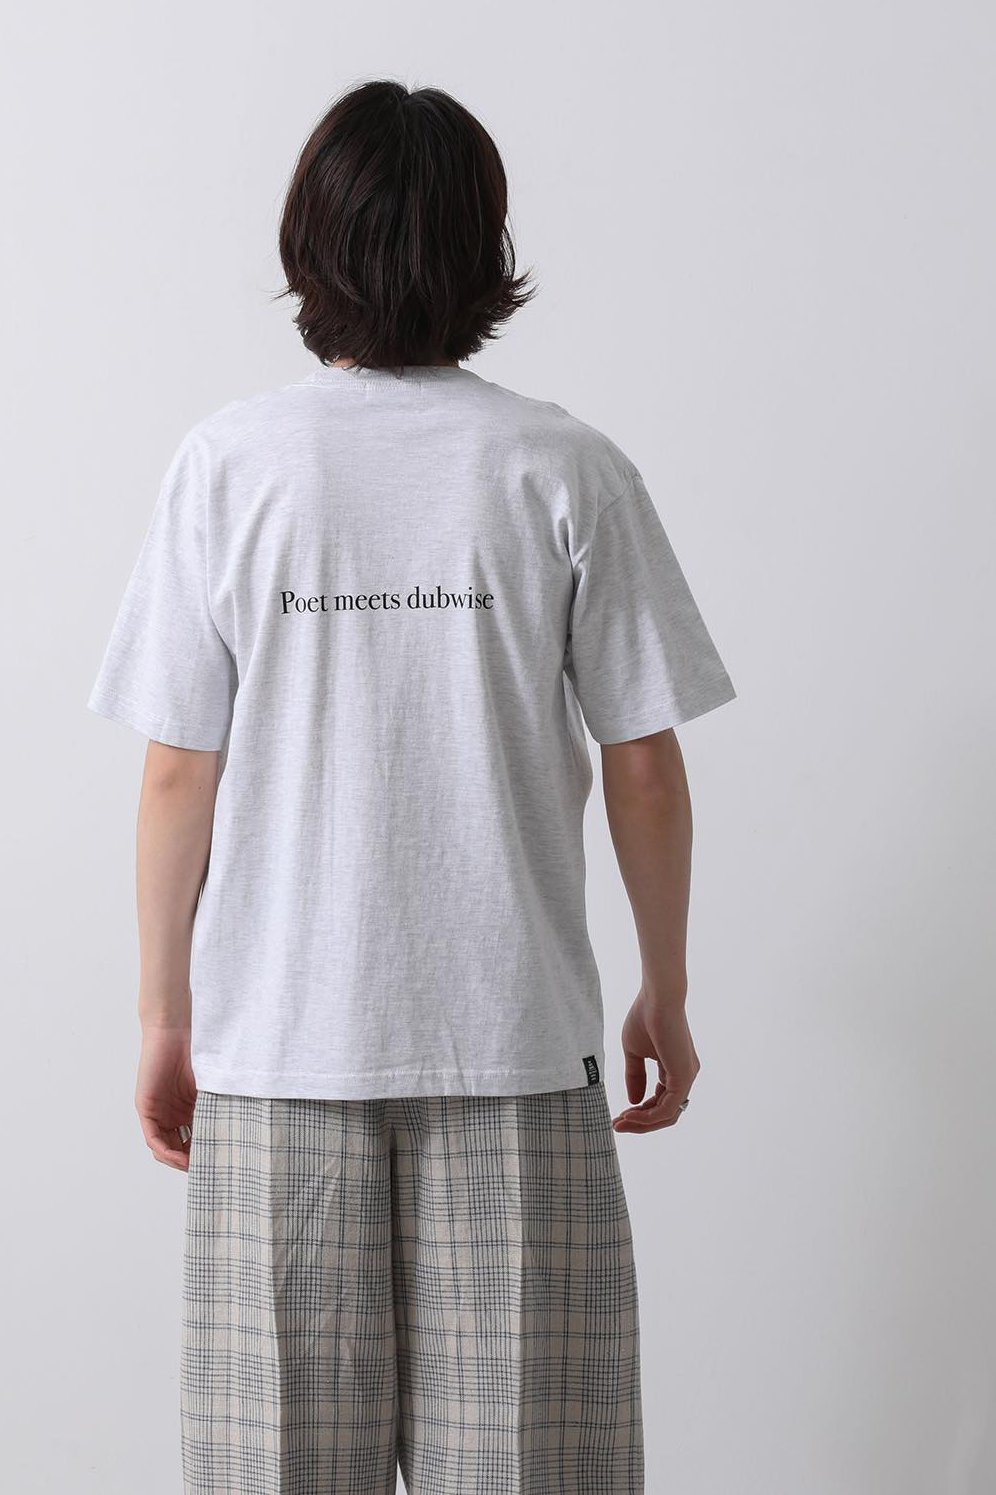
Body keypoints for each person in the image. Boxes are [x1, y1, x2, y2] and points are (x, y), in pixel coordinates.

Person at [88, 79, 735, 1495]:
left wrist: (165, 1016)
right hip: (514, 1050)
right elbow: (642, 761)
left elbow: (178, 770)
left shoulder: (230, 467)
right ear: (482, 250)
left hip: (278, 1056)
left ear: (308, 245)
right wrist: (665, 989)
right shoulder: (565, 467)